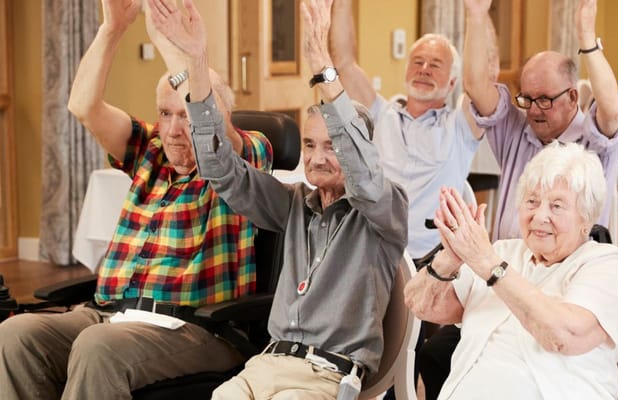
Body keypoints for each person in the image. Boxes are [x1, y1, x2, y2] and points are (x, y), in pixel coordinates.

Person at [0, 0, 270, 397]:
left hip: (196, 328)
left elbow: (209, 125)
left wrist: (170, 42)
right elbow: (83, 106)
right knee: (15, 334)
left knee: (99, 348)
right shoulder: (150, 150)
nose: (176, 129)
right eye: (165, 114)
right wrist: (112, 29)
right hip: (110, 314)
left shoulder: (244, 157)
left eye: (187, 115)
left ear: (219, 114)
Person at [155, 0, 408, 397]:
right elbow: (221, 170)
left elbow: (362, 171)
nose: (318, 157)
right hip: (267, 364)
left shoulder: (384, 210)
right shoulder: (293, 203)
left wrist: (321, 64)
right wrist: (196, 61)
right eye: (309, 144)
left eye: (333, 146)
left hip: (327, 375)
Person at [404, 143, 618, 399]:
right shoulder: (503, 251)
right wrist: (451, 257)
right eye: (532, 202)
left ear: (586, 218)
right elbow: (420, 305)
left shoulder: (608, 263)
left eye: (557, 206)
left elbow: (564, 336)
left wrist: (490, 266)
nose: (539, 216)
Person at [463, 0, 618, 240]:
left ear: (572, 97)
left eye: (544, 99)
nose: (533, 110)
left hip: (569, 273)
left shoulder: (595, 143)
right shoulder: (516, 130)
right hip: (506, 267)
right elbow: (476, 86)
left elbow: (612, 111)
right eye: (527, 99)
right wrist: (476, 15)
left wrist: (587, 37)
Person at [330, 0, 481, 259]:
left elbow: (479, 81)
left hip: (431, 259)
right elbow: (342, 62)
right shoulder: (379, 112)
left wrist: (477, 16)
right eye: (418, 62)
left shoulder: (460, 126)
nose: (424, 70)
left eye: (435, 65)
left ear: (452, 81)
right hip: (374, 250)